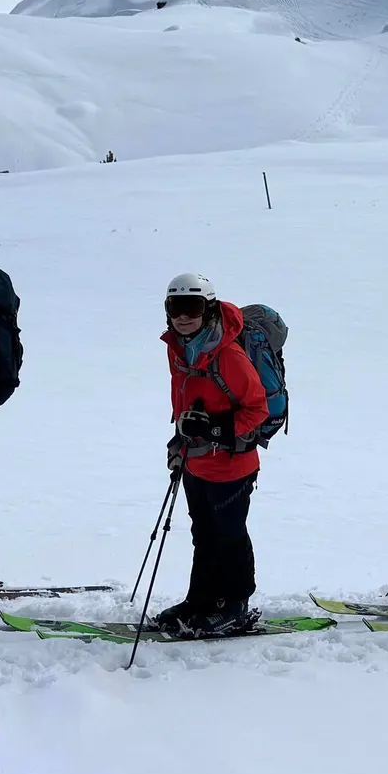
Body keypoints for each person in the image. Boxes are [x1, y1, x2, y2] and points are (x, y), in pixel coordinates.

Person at [155, 273, 268, 638]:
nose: (183, 316)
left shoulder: (229, 355)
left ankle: (235, 606)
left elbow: (257, 409)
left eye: (192, 307)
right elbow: (184, 401)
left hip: (233, 465)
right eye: (176, 307)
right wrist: (181, 440)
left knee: (230, 535)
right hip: (196, 462)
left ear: (209, 309)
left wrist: (213, 429)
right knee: (203, 533)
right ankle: (201, 599)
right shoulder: (179, 348)